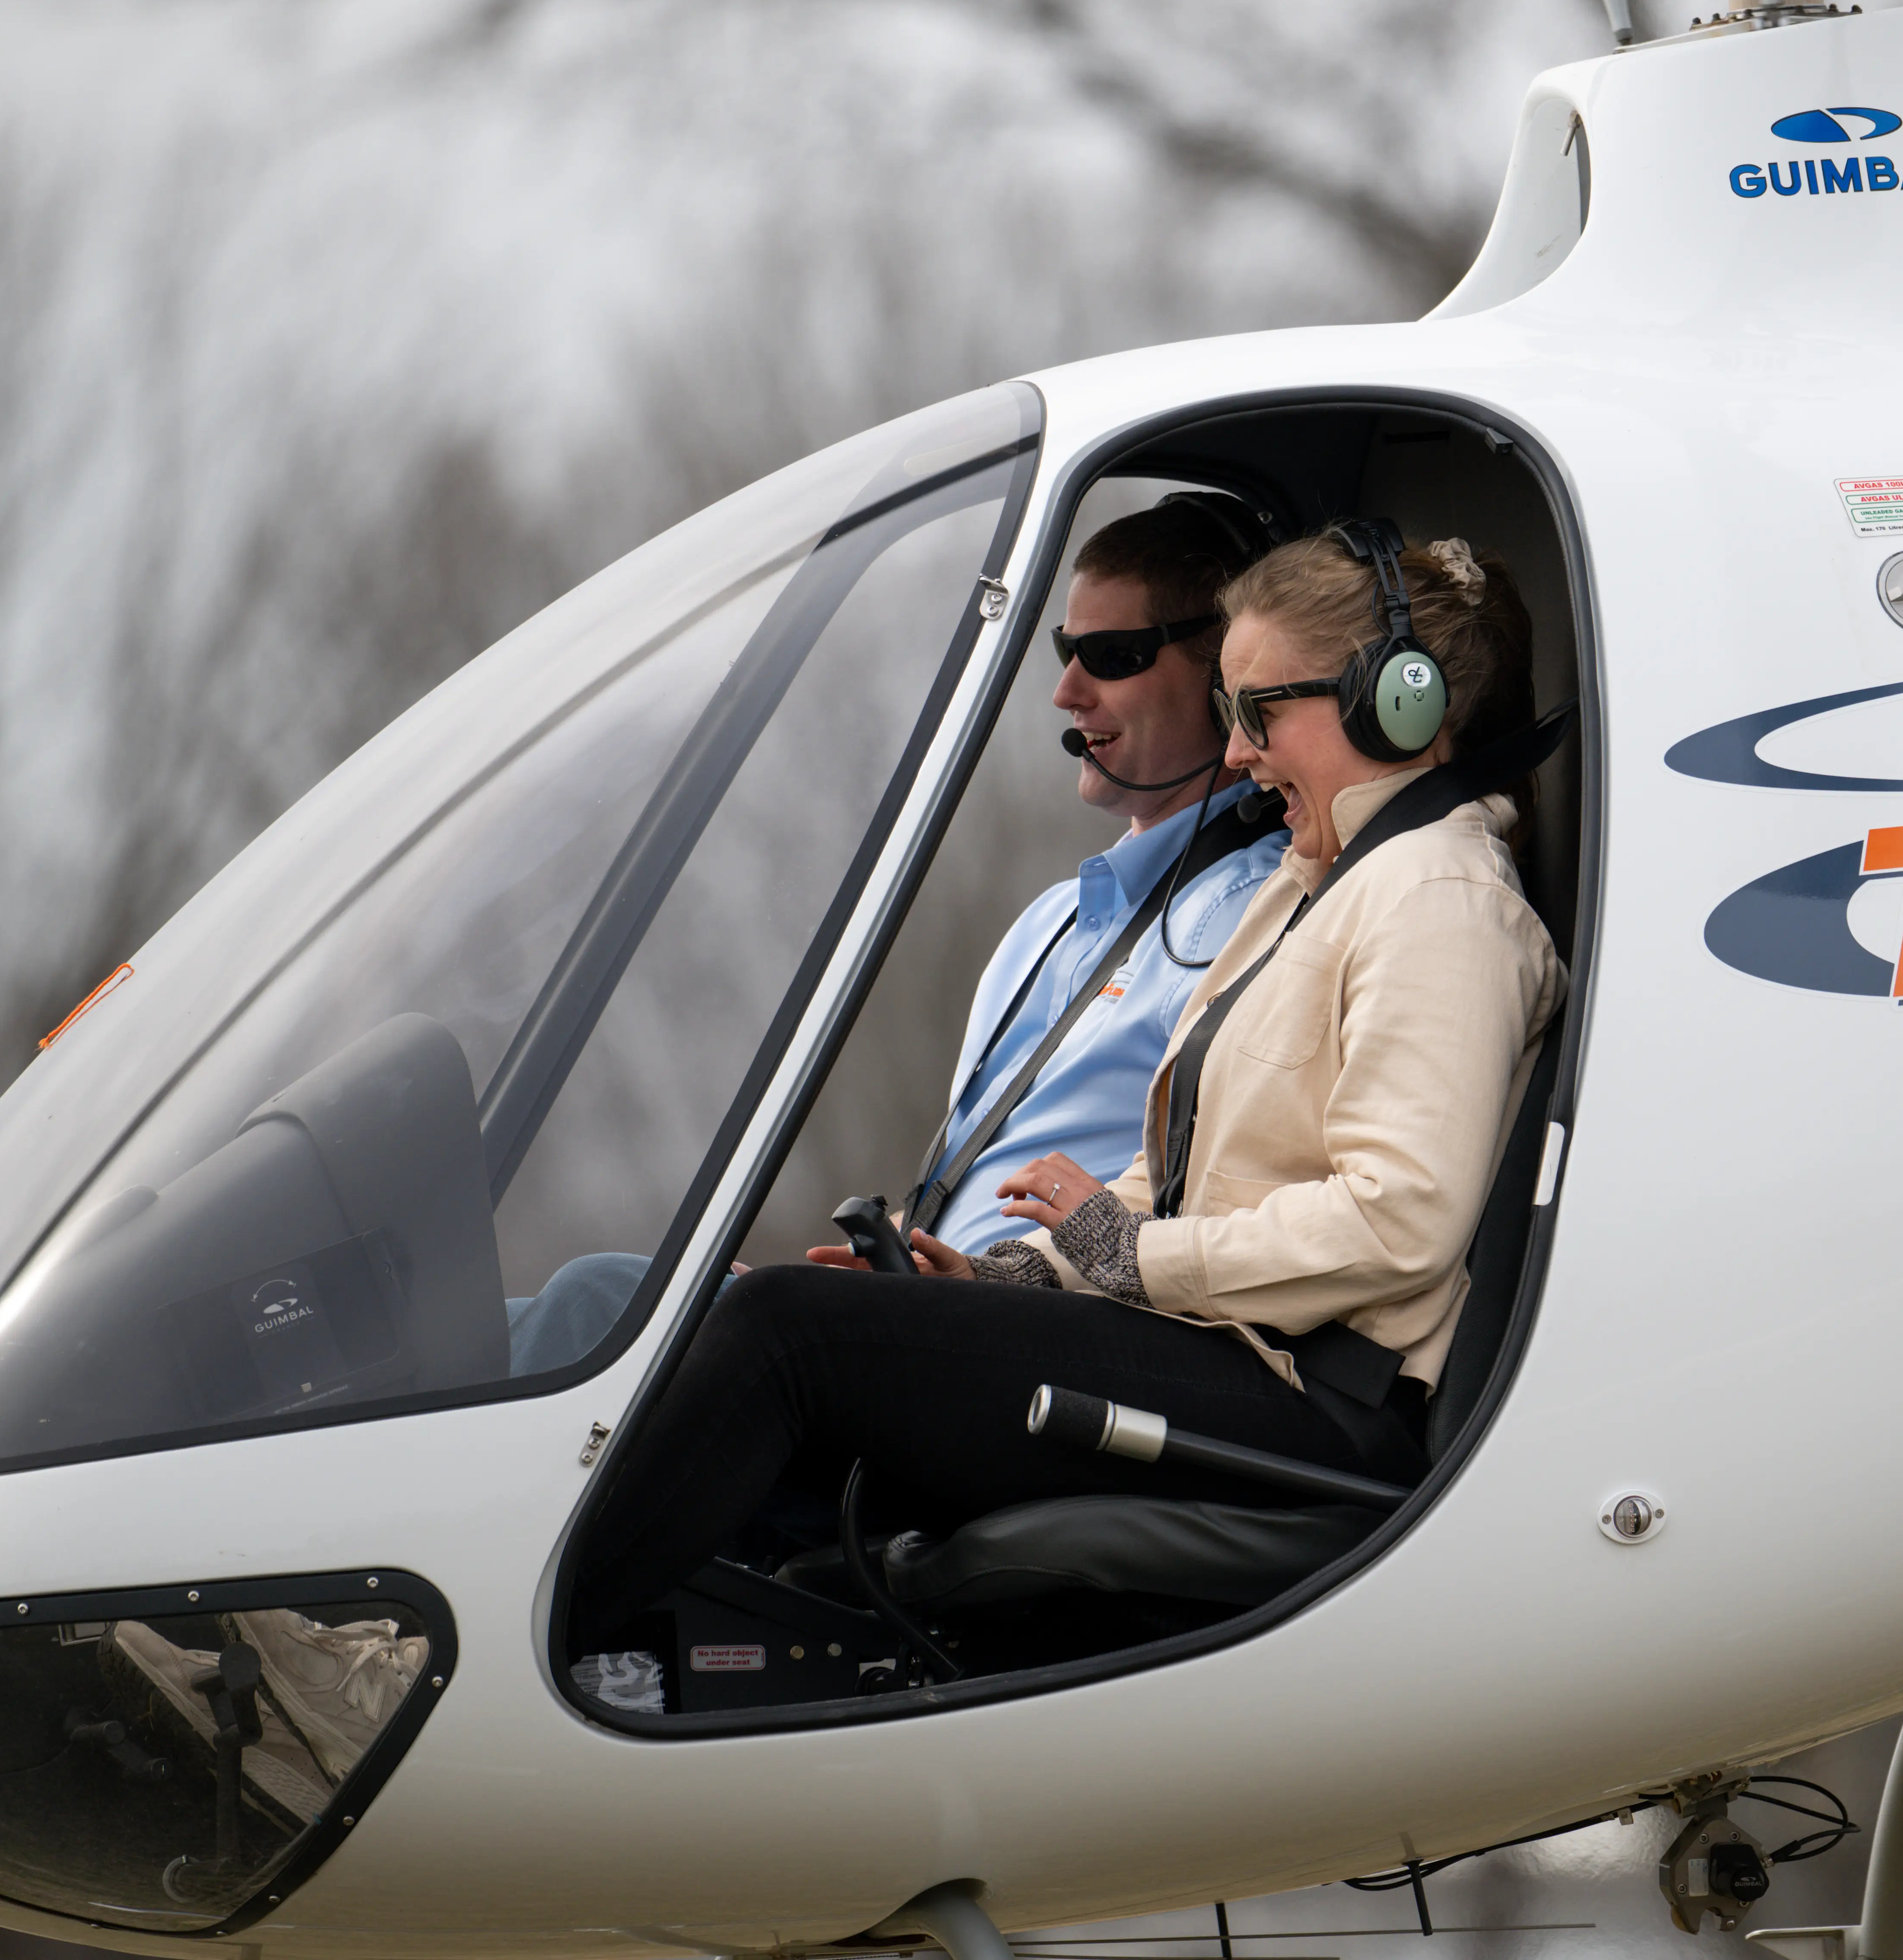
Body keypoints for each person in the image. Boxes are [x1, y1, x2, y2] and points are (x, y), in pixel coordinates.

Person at [563, 523, 1564, 1657]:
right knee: (739, 1338)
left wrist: (1130, 1257)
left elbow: (1399, 1220)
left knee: (785, 1334)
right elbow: (1176, 1177)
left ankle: (497, 1664)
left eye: (1260, 714)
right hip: (1234, 1353)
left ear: (1400, 707)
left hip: (1312, 1401)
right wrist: (1018, 1275)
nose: (1237, 756)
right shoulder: (1321, 886)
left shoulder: (1441, 901)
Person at [500, 492, 1289, 1373]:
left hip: (1050, 1355)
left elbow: (1215, 1212)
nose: (1066, 691)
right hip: (959, 1315)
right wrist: (898, 1272)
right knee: (584, 1313)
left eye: (1112, 657)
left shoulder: (1266, 918)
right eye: (1067, 652)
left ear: (1229, 677)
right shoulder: (1049, 923)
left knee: (591, 1304)